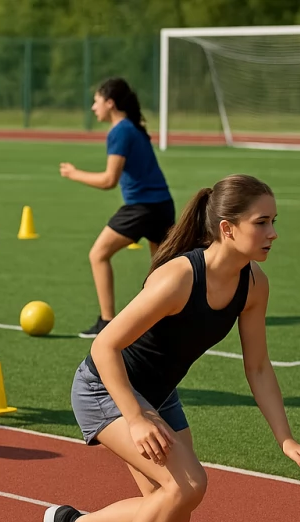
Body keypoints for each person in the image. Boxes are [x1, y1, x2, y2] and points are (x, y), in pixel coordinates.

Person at [41, 175, 300, 522]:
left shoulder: (253, 285)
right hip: (105, 387)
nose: (273, 233)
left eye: (274, 222)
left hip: (159, 395)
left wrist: (285, 437)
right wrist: (134, 417)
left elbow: (259, 368)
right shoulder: (178, 277)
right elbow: (105, 346)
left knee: (171, 504)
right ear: (228, 228)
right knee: (187, 486)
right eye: (263, 222)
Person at [60, 77, 174, 339]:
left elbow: (109, 180)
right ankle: (168, 317)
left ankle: (107, 320)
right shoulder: (133, 127)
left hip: (142, 208)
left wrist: (74, 173)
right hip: (162, 205)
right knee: (163, 269)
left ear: (109, 103)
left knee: (98, 254)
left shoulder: (120, 131)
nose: (93, 107)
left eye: (96, 101)